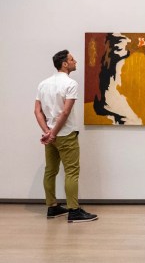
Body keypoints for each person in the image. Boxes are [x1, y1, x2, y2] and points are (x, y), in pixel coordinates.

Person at [34, 50, 98, 223]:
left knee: (50, 170)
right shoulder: (70, 84)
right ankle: (74, 211)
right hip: (66, 134)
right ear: (64, 64)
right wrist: (53, 133)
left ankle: (52, 207)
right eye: (72, 59)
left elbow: (37, 111)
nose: (75, 61)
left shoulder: (43, 84)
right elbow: (65, 112)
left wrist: (47, 132)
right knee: (71, 172)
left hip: (50, 135)